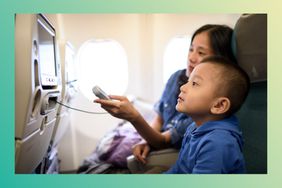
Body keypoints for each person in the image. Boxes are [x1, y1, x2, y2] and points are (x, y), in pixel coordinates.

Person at [94, 24, 236, 166]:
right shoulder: (176, 77)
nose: (191, 57)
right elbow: (160, 118)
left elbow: (163, 141)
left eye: (201, 53)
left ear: (220, 60)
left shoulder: (206, 110)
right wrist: (146, 140)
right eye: (191, 49)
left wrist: (134, 117)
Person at [165, 56, 250, 173]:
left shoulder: (218, 144)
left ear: (219, 105)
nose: (182, 87)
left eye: (194, 83)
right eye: (188, 81)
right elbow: (179, 169)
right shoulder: (194, 127)